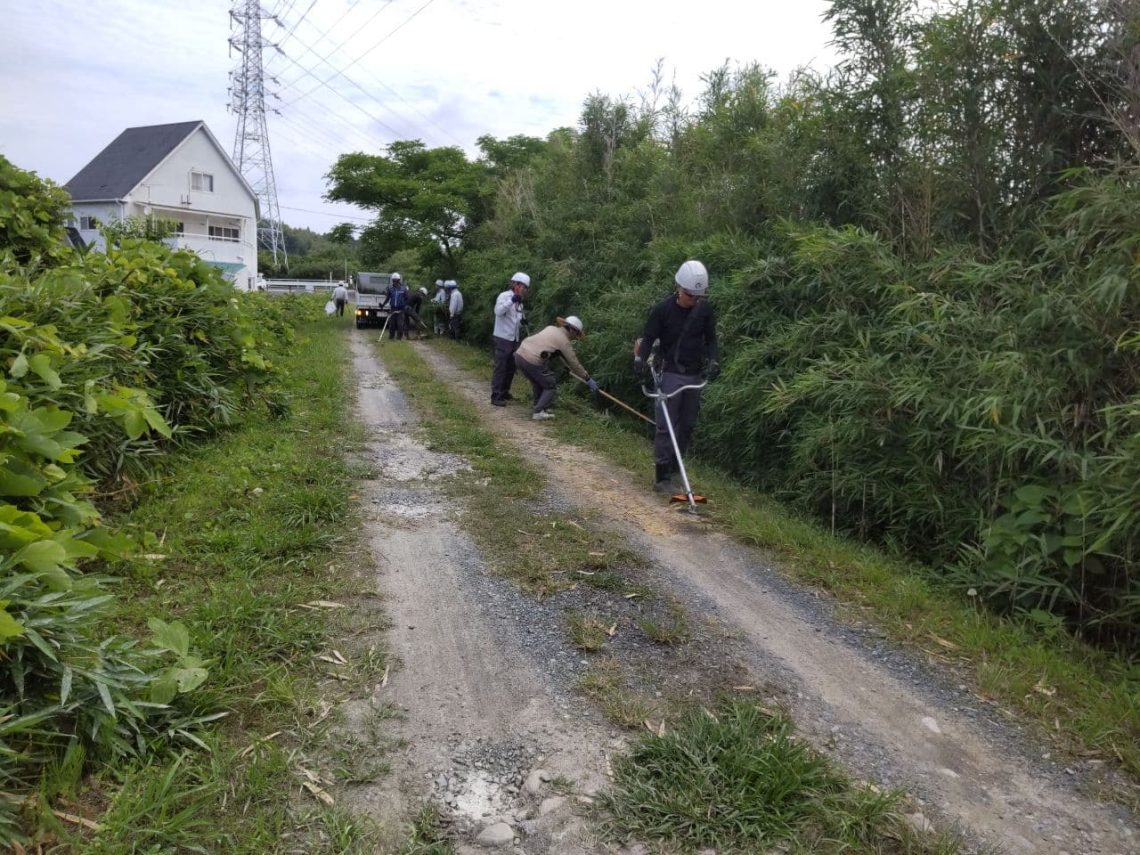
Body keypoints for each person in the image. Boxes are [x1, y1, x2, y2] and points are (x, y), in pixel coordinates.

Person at [633, 260, 720, 492]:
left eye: (699, 297)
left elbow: (711, 340)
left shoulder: (704, 311)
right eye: (691, 296)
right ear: (680, 288)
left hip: (694, 374)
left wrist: (714, 361)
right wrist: (640, 361)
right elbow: (648, 339)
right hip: (671, 372)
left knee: (687, 425)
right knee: (666, 425)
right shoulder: (662, 310)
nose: (695, 300)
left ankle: (675, 469)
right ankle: (661, 477)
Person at [514, 315, 599, 421]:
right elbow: (574, 363)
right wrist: (587, 378)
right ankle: (538, 412)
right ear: (572, 330)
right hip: (532, 359)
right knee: (551, 385)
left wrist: (566, 367)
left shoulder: (551, 328)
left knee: (538, 382)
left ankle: (539, 406)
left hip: (519, 355)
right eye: (577, 334)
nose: (575, 337)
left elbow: (556, 353)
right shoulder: (564, 341)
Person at [490, 271, 531, 406]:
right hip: (503, 337)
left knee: (511, 367)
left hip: (514, 339)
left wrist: (522, 322)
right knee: (501, 367)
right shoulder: (504, 296)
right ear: (516, 285)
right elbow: (498, 311)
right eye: (524, 287)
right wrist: (511, 300)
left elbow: (515, 321)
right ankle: (496, 396)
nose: (525, 290)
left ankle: (504, 392)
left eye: (526, 288)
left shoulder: (520, 303)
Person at [386, 272, 409, 340]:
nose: (394, 282)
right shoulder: (390, 289)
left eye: (396, 281)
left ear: (399, 281)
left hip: (400, 309)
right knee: (392, 324)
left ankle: (399, 337)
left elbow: (407, 298)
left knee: (400, 324)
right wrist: (382, 305)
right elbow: (387, 298)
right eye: (393, 281)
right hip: (393, 309)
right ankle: (391, 336)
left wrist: (404, 305)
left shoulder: (403, 289)